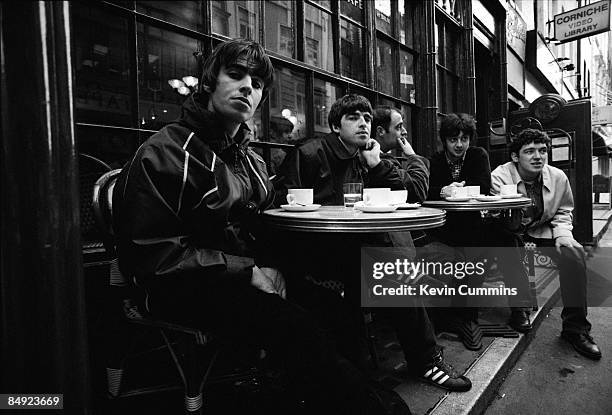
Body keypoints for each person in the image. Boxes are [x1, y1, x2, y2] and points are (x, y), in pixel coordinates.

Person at [112, 39, 412, 415]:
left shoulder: (247, 158)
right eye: (235, 75)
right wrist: (247, 271)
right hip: (184, 284)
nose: (246, 88)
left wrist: (274, 266)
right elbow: (153, 253)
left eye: (256, 84)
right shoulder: (166, 151)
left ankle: (348, 396)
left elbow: (265, 226)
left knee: (334, 301)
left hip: (242, 274)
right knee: (293, 324)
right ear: (209, 82)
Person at [276, 94, 472, 392]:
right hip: (316, 252)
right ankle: (419, 360)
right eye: (353, 118)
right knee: (392, 271)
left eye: (367, 118)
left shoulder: (367, 156)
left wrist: (378, 165)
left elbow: (411, 195)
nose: (363, 124)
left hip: (355, 249)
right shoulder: (311, 153)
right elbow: (284, 207)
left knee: (395, 271)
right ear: (334, 125)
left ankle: (426, 359)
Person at [491, 128, 601, 360]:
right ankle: (519, 308)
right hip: (511, 233)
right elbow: (497, 217)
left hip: (543, 231)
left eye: (542, 151)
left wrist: (562, 235)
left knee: (574, 256)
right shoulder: (499, 177)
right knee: (509, 247)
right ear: (515, 157)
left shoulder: (558, 177)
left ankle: (576, 330)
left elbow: (563, 210)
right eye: (529, 151)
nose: (538, 156)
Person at [426, 113, 532, 347]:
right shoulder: (435, 160)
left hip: (475, 224)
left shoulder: (477, 155)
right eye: (453, 139)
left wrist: (456, 190)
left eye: (464, 138)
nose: (459, 144)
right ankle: (462, 317)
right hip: (445, 227)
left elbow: (483, 185)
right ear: (444, 140)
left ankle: (519, 308)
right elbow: (427, 191)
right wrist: (445, 190)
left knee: (508, 240)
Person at [372, 106, 429, 203]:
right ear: (381, 131)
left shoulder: (380, 158)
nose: (405, 132)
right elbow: (418, 191)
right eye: (399, 127)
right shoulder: (381, 162)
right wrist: (412, 156)